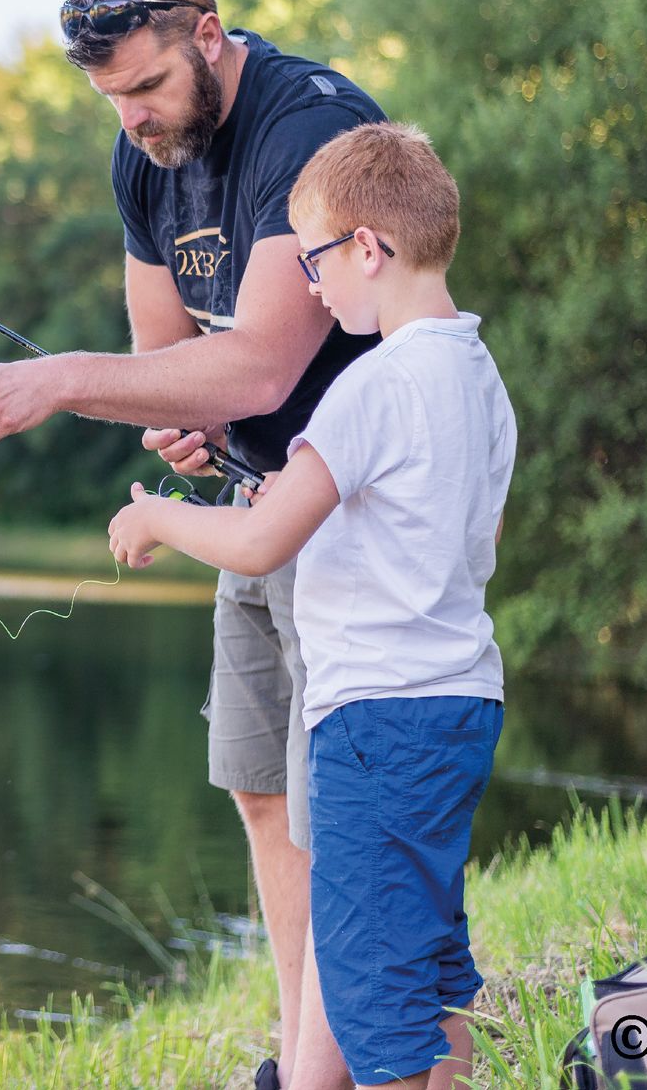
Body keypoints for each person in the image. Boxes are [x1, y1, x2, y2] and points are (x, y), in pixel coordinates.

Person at [0, 0, 384, 1085]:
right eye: (108, 97)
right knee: (261, 790)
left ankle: (352, 1059)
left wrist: (59, 381)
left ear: (207, 36)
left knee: (344, 820)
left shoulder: (307, 127)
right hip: (255, 504)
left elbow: (261, 366)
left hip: (355, 513)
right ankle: (293, 1053)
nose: (130, 119)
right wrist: (179, 423)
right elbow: (165, 357)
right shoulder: (143, 160)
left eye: (147, 87)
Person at [107, 121, 515, 1090]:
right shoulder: (477, 376)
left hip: (372, 721)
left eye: (315, 259)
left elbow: (255, 544)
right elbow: (460, 539)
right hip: (460, 705)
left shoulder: (366, 387)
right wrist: (300, 507)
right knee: (423, 965)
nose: (309, 285)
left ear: (367, 247)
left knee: (370, 998)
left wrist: (158, 515)